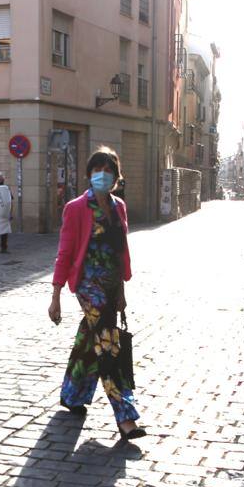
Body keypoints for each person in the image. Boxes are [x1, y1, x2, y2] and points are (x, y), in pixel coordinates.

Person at [48, 147, 146, 441]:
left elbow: (120, 251)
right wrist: (56, 295)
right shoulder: (76, 208)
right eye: (96, 170)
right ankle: (125, 417)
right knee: (107, 343)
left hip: (111, 284)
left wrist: (122, 291)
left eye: (108, 171)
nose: (102, 175)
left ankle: (72, 396)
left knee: (89, 339)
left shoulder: (119, 207)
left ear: (116, 177)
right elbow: (64, 252)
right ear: (89, 174)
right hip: (89, 285)